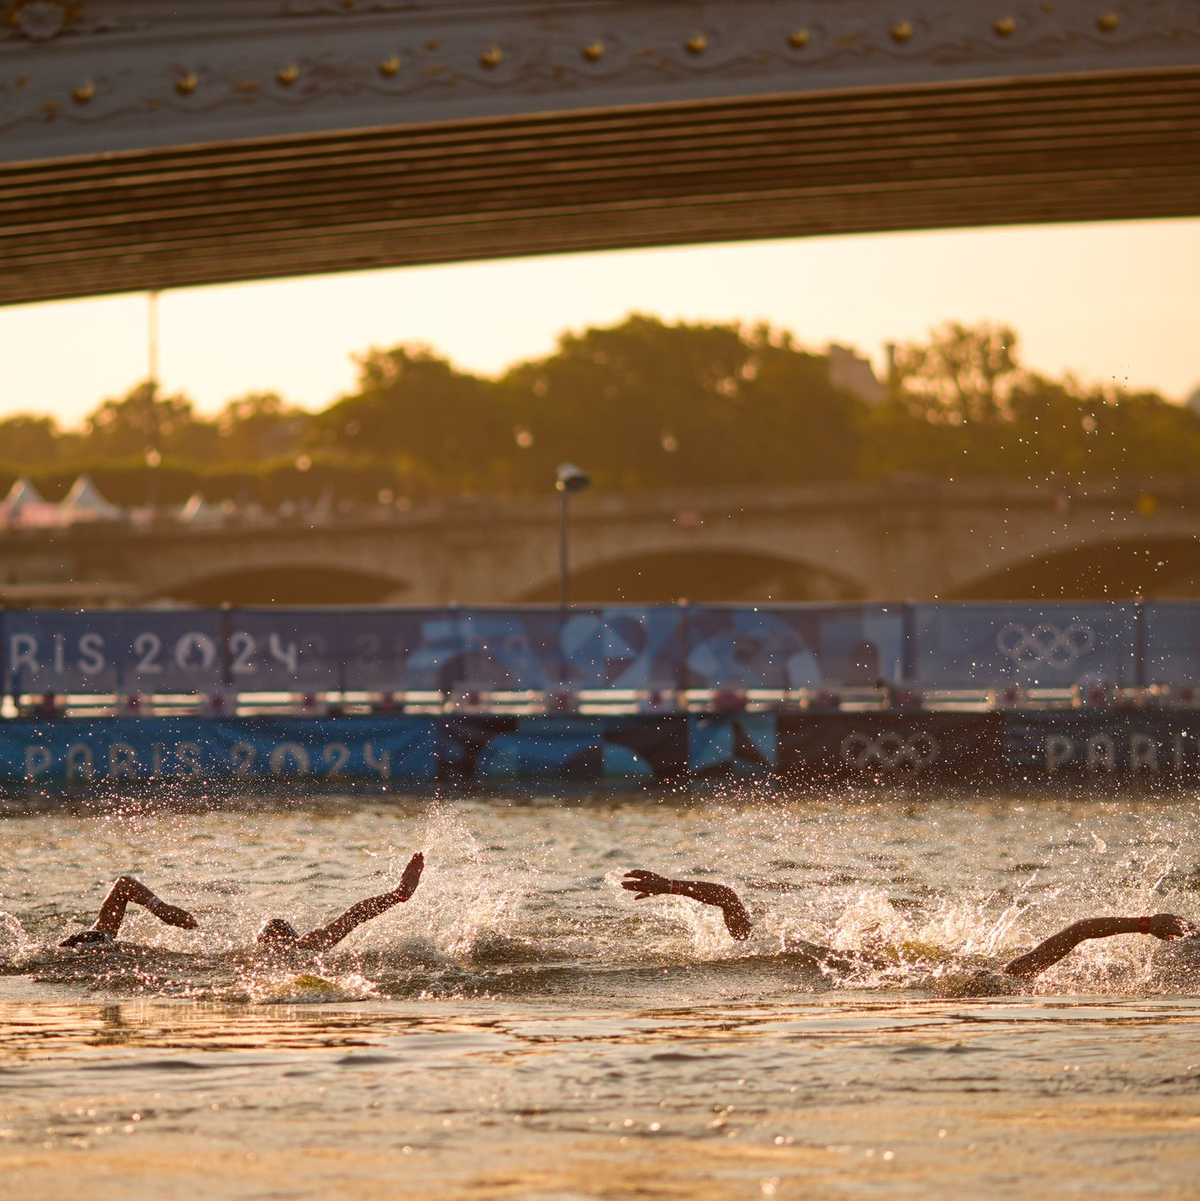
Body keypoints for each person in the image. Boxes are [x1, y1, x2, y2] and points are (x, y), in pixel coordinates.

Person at [621, 869, 1197, 981]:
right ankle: (669, 883)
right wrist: (1145, 922)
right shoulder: (1009, 977)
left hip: (849, 972)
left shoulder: (1003, 977)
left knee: (740, 916)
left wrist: (1148, 923)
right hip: (847, 968)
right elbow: (1076, 931)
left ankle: (669, 882)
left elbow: (1076, 931)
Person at [59, 852, 425, 955]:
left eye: (279, 932)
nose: (273, 930)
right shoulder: (225, 949)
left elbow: (352, 918)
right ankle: (93, 942)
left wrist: (399, 895)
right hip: (97, 947)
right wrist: (160, 908)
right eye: (271, 931)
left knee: (104, 946)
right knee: (99, 941)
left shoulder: (306, 952)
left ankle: (94, 944)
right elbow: (124, 884)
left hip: (106, 954)